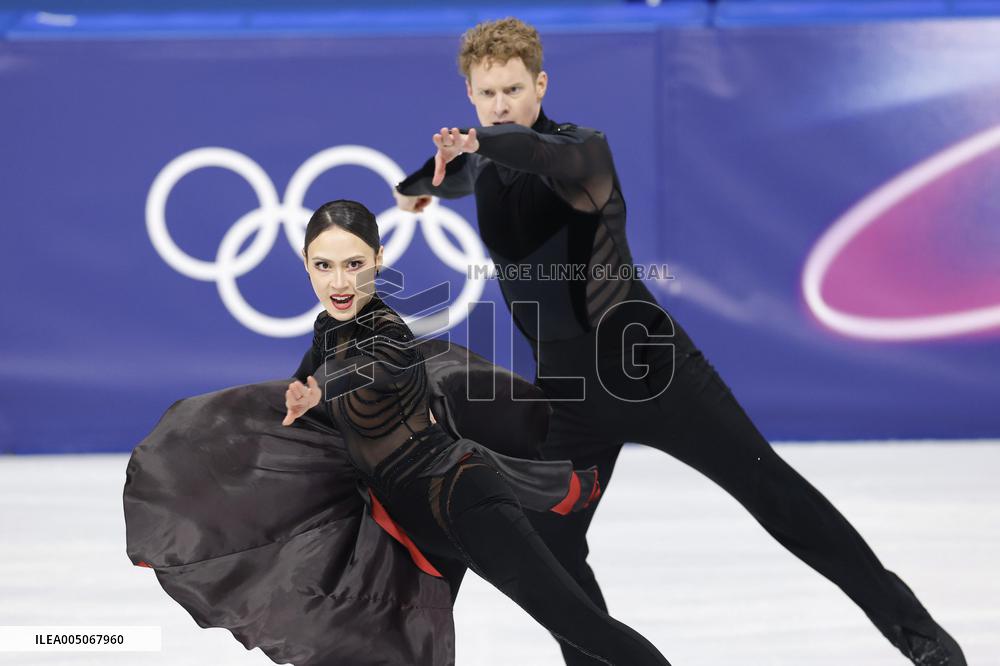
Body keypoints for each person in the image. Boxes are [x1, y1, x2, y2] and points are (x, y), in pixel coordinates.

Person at [392, 17, 966, 666]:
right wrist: (421, 185)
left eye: (515, 90)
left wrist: (478, 148)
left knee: (777, 497)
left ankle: (921, 637)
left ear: (541, 84)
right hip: (571, 396)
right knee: (549, 545)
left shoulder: (582, 150)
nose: (502, 106)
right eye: (489, 94)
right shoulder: (482, 157)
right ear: (469, 93)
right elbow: (456, 175)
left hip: (652, 371)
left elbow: (532, 155)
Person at [125, 199, 673, 666]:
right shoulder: (327, 328)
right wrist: (194, 524)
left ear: (379, 260)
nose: (340, 282)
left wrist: (321, 387)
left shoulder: (387, 330)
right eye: (325, 265)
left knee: (574, 620)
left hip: (460, 500)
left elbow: (375, 364)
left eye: (355, 264)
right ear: (306, 265)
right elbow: (294, 404)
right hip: (407, 524)